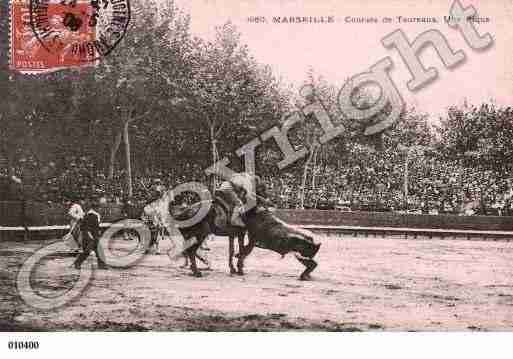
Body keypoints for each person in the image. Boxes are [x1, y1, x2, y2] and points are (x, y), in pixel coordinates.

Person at [73, 198, 108, 270]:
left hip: (91, 235)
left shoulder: (91, 214)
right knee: (88, 251)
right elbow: (86, 227)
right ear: (95, 208)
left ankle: (102, 265)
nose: (100, 209)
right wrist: (91, 236)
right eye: (99, 208)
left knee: (98, 250)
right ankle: (77, 262)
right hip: (90, 236)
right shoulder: (92, 215)